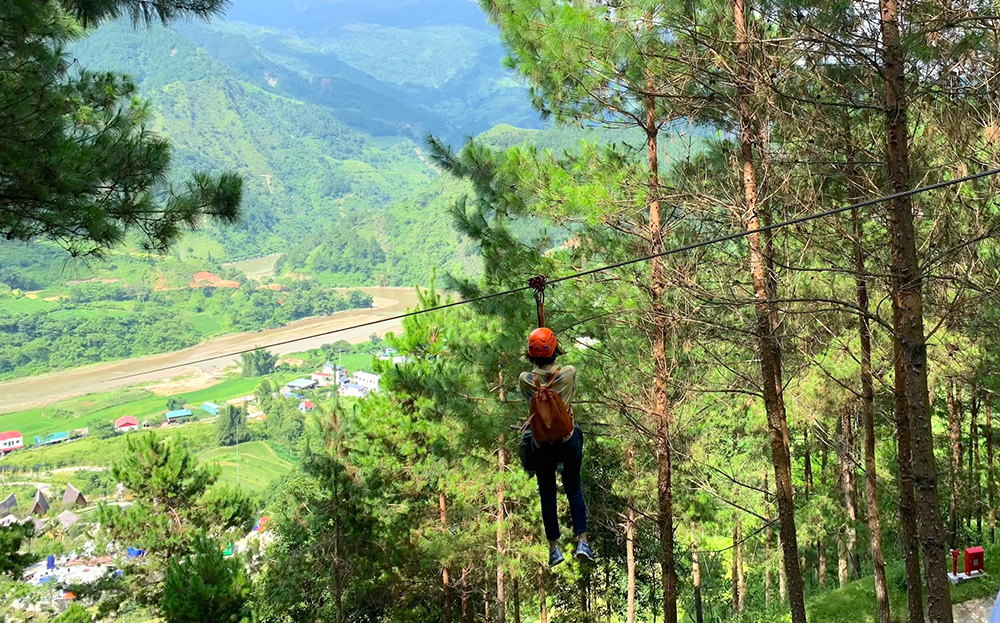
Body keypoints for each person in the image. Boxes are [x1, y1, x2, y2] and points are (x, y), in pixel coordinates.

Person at [518, 327, 594, 567]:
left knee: (548, 495)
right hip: (566, 441)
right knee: (573, 489)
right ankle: (583, 541)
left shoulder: (526, 380)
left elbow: (533, 380)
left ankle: (554, 549)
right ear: (555, 350)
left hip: (542, 446)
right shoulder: (569, 374)